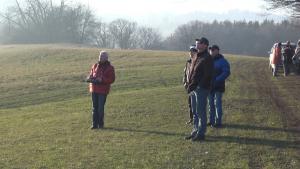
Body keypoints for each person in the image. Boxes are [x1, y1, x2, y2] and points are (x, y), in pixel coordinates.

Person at [185, 37, 214, 141]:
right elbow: (192, 71)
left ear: (205, 45)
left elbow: (207, 75)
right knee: (195, 111)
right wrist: (190, 85)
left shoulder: (207, 58)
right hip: (194, 87)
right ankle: (195, 131)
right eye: (198, 43)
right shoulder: (197, 56)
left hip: (202, 88)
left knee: (201, 111)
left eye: (201, 43)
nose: (198, 44)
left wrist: (198, 85)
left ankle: (201, 133)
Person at [86, 51, 115, 129]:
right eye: (100, 56)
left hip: (103, 90)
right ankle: (94, 125)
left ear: (106, 58)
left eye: (102, 56)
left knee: (100, 108)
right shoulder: (95, 65)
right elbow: (92, 75)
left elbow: (112, 79)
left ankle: (100, 124)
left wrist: (102, 79)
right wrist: (89, 78)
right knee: (94, 107)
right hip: (94, 89)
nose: (100, 57)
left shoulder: (110, 68)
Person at [208, 45, 230, 128]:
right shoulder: (209, 61)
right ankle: (211, 120)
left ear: (217, 51)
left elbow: (226, 72)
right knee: (210, 104)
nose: (211, 51)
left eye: (213, 50)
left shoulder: (223, 61)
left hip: (218, 86)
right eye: (210, 50)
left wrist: (217, 80)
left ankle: (218, 121)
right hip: (210, 86)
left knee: (217, 104)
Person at [183, 45, 198, 124]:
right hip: (189, 86)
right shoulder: (188, 62)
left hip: (195, 86)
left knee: (196, 104)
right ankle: (191, 118)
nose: (191, 53)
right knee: (190, 103)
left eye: (193, 51)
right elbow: (185, 73)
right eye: (190, 51)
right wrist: (185, 82)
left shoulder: (198, 62)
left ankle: (197, 119)